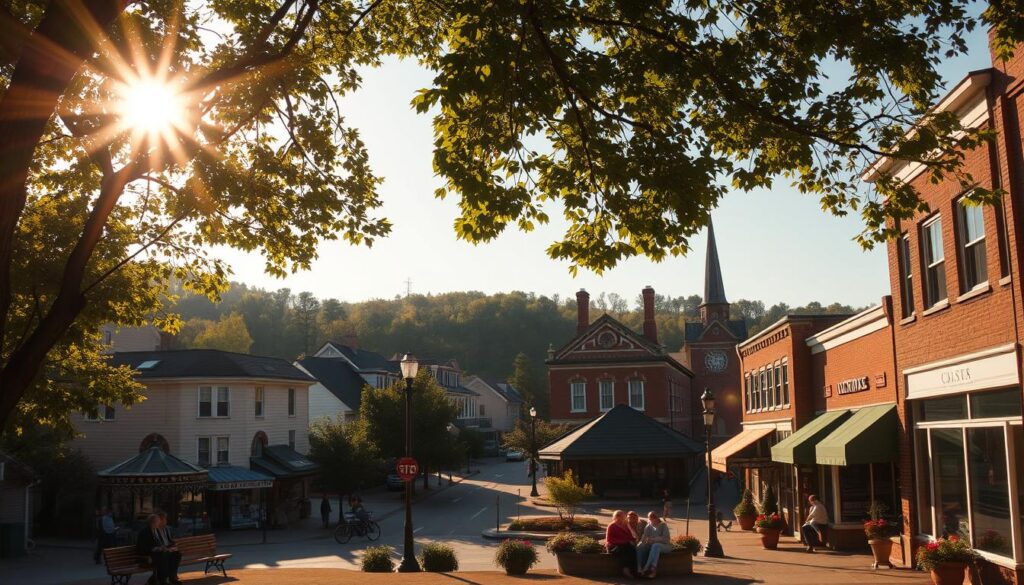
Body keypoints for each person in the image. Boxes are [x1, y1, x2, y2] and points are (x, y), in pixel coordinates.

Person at [136, 514, 181, 585]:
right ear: (153, 522)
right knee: (164, 556)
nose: (159, 524)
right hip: (146, 557)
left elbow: (159, 544)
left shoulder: (154, 530)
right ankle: (163, 580)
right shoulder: (144, 532)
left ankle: (172, 577)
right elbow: (142, 548)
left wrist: (166, 548)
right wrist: (157, 548)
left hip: (155, 554)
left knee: (176, 554)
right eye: (158, 522)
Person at [637, 512, 672, 578]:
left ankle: (651, 569)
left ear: (657, 518)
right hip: (652, 546)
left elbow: (666, 539)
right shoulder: (648, 526)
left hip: (665, 546)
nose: (652, 520)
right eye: (650, 518)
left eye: (654, 518)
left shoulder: (663, 525)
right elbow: (643, 539)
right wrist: (644, 541)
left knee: (656, 546)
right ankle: (639, 568)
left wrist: (653, 540)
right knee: (640, 546)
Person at [605, 510, 638, 579]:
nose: (623, 518)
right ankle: (625, 570)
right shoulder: (612, 526)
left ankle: (634, 571)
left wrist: (632, 540)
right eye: (619, 516)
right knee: (625, 549)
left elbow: (630, 537)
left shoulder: (625, 525)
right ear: (615, 517)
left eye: (623, 516)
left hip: (625, 545)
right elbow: (610, 540)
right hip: (613, 546)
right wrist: (626, 541)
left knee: (632, 549)